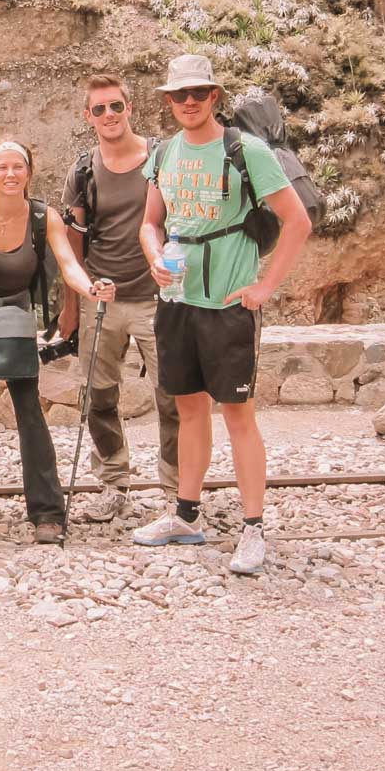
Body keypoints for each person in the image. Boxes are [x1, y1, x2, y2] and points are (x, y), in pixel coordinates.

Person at [134, 55, 311, 575]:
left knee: (238, 414)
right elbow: (150, 222)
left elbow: (296, 220)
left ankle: (253, 528)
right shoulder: (163, 153)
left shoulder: (245, 150)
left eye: (198, 93)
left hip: (229, 304)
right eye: (179, 95)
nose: (188, 102)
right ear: (168, 102)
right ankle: (186, 515)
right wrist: (153, 257)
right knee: (188, 409)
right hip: (177, 301)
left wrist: (265, 286)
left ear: (214, 96)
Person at [0, 140, 115, 544]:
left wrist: (90, 288)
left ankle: (47, 510)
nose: (10, 174)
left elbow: (68, 265)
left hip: (13, 313)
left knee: (28, 406)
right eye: (2, 167)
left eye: (18, 167)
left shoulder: (44, 217)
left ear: (29, 172)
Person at [59, 73, 180, 523]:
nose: (108, 115)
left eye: (115, 106)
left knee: (172, 396)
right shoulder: (84, 169)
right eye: (99, 109)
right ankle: (113, 483)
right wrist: (72, 304)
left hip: (159, 296)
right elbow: (74, 239)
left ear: (130, 108)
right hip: (102, 298)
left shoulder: (163, 158)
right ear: (87, 116)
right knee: (98, 396)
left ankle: (176, 489)